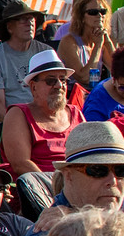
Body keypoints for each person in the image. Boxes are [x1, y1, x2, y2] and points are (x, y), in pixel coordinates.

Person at [6, 49, 82, 178]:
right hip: (38, 189)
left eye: (63, 80)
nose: (59, 85)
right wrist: (53, 187)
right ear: (33, 87)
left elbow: (88, 155)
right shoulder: (19, 115)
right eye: (51, 81)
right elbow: (21, 164)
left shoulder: (75, 113)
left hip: (76, 187)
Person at [0, 4, 45, 119]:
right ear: (9, 27)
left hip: (44, 120)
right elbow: (0, 112)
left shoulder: (46, 53)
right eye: (23, 19)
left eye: (31, 18)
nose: (29, 23)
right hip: (9, 123)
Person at [58, 0, 118, 84]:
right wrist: (97, 46)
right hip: (72, 95)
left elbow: (119, 70)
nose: (99, 15)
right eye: (93, 12)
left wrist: (108, 42)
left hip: (93, 93)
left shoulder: (101, 39)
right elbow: (85, 78)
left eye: (103, 11)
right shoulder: (69, 42)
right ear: (81, 17)